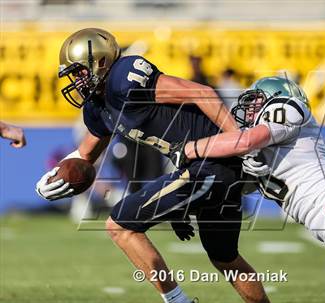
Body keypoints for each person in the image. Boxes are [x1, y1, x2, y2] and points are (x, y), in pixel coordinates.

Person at [34, 28, 270, 303]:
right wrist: (51, 178)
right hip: (202, 168)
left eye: (79, 71)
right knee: (224, 257)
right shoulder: (98, 108)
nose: (76, 80)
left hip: (211, 164)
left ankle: (178, 302)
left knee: (120, 225)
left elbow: (200, 92)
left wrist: (241, 141)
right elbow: (84, 156)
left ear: (100, 62)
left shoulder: (125, 78)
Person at [176, 76, 325, 302]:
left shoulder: (290, 108)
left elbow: (247, 140)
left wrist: (190, 148)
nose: (248, 110)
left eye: (256, 101)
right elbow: (224, 182)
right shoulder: (259, 151)